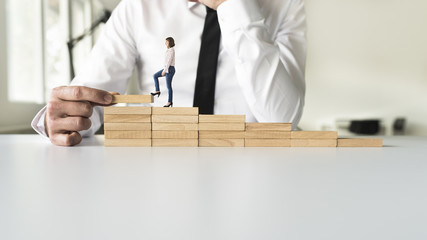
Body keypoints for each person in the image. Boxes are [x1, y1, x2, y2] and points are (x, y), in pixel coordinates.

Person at [32, 0, 307, 146]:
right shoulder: (138, 7)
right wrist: (59, 120)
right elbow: (85, 110)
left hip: (257, 176)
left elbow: (282, 120)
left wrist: (232, 6)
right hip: (156, 178)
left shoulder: (286, 5)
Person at [151, 37, 176, 107]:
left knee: (168, 87)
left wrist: (164, 71)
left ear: (170, 42)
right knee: (155, 75)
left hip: (170, 69)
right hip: (167, 68)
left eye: (166, 42)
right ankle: (157, 90)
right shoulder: (168, 50)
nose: (165, 43)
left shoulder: (171, 50)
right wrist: (165, 69)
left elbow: (169, 61)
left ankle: (169, 102)